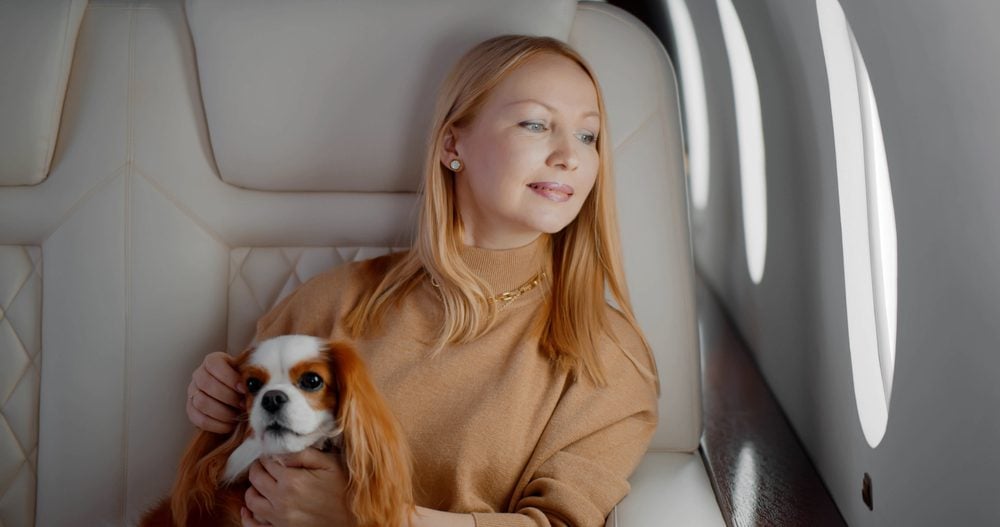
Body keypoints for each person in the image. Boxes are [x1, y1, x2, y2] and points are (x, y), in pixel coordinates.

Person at [185, 34, 659, 527]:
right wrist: (220, 405)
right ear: (453, 144)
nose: (570, 156)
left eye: (589, 136)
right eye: (536, 124)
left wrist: (370, 518)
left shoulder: (607, 356)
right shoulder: (329, 302)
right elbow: (229, 472)